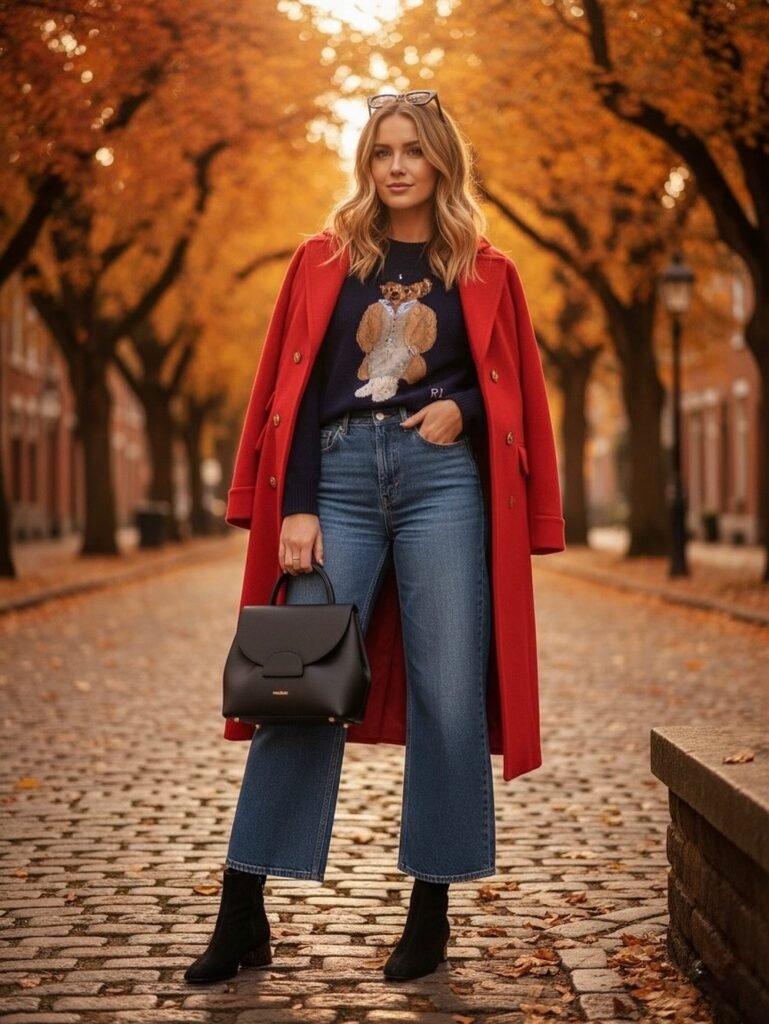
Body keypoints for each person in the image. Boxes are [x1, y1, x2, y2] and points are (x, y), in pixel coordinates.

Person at [185, 89, 564, 986]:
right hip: (341, 476)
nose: (396, 165)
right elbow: (296, 385)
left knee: (447, 689)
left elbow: (507, 390)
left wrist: (457, 408)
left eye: (412, 150)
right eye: (382, 150)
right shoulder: (322, 259)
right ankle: (241, 911)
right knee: (298, 683)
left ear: (440, 161)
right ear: (368, 161)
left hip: (443, 484)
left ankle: (428, 912)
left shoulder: (486, 267)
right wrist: (297, 507)